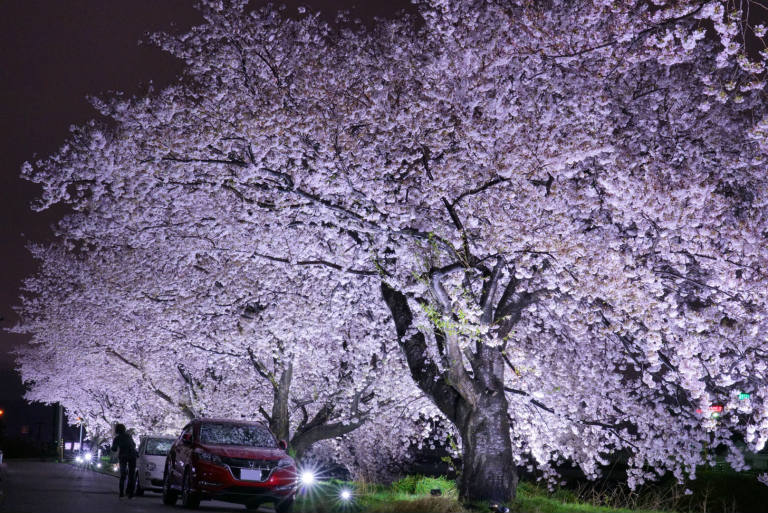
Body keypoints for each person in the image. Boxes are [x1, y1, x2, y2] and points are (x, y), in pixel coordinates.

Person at [111, 423, 138, 498]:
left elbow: (114, 448)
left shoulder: (117, 438)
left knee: (123, 475)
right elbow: (134, 445)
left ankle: (121, 493)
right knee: (131, 475)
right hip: (133, 455)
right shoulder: (129, 436)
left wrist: (114, 447)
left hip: (123, 456)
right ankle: (130, 493)